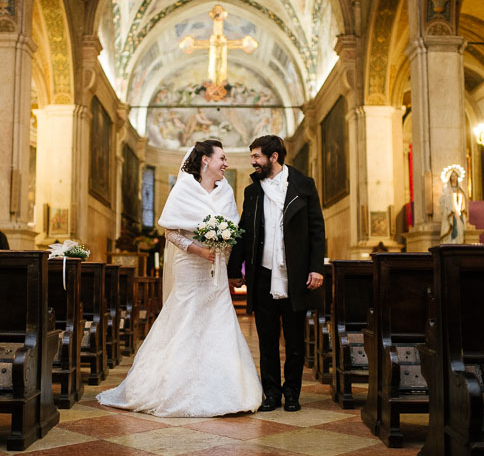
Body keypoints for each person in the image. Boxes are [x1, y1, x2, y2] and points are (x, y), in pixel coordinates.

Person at [97, 140, 262, 417]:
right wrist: (199, 249)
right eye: (222, 158)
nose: (226, 164)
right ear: (205, 161)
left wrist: (226, 255)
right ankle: (171, 386)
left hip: (217, 267)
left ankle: (227, 388)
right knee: (185, 317)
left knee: (219, 318)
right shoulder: (183, 188)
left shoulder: (226, 190)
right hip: (190, 264)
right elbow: (170, 233)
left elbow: (233, 232)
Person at [228, 135, 325, 412]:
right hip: (262, 274)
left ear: (274, 157)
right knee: (267, 340)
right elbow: (243, 233)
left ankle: (292, 393)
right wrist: (235, 269)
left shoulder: (303, 185)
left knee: (295, 340)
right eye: (252, 157)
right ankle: (271, 392)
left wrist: (316, 267)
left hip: (295, 274)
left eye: (257, 157)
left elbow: (317, 230)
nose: (253, 162)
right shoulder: (252, 191)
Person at [439, 167, 467, 244]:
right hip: (451, 213)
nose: (454, 178)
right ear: (450, 178)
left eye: (455, 176)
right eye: (452, 176)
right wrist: (450, 198)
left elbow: (464, 202)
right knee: (453, 227)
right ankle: (452, 241)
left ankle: (459, 241)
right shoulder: (447, 190)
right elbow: (442, 201)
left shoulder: (460, 190)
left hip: (459, 213)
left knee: (459, 227)